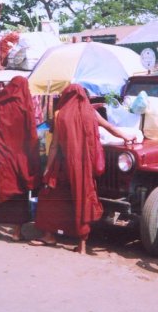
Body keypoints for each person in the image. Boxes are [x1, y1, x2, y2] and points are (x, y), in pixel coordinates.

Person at [30, 84, 135, 254]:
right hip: (84, 168)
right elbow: (110, 128)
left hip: (64, 166)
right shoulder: (91, 112)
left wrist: (48, 168)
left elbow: (55, 146)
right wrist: (127, 137)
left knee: (50, 197)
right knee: (81, 201)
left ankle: (49, 235)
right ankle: (82, 245)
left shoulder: (60, 114)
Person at [0, 76, 40, 241]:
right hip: (20, 155)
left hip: (3, 154)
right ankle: (16, 233)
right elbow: (31, 131)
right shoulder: (24, 104)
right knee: (19, 191)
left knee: (2, 191)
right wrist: (33, 152)